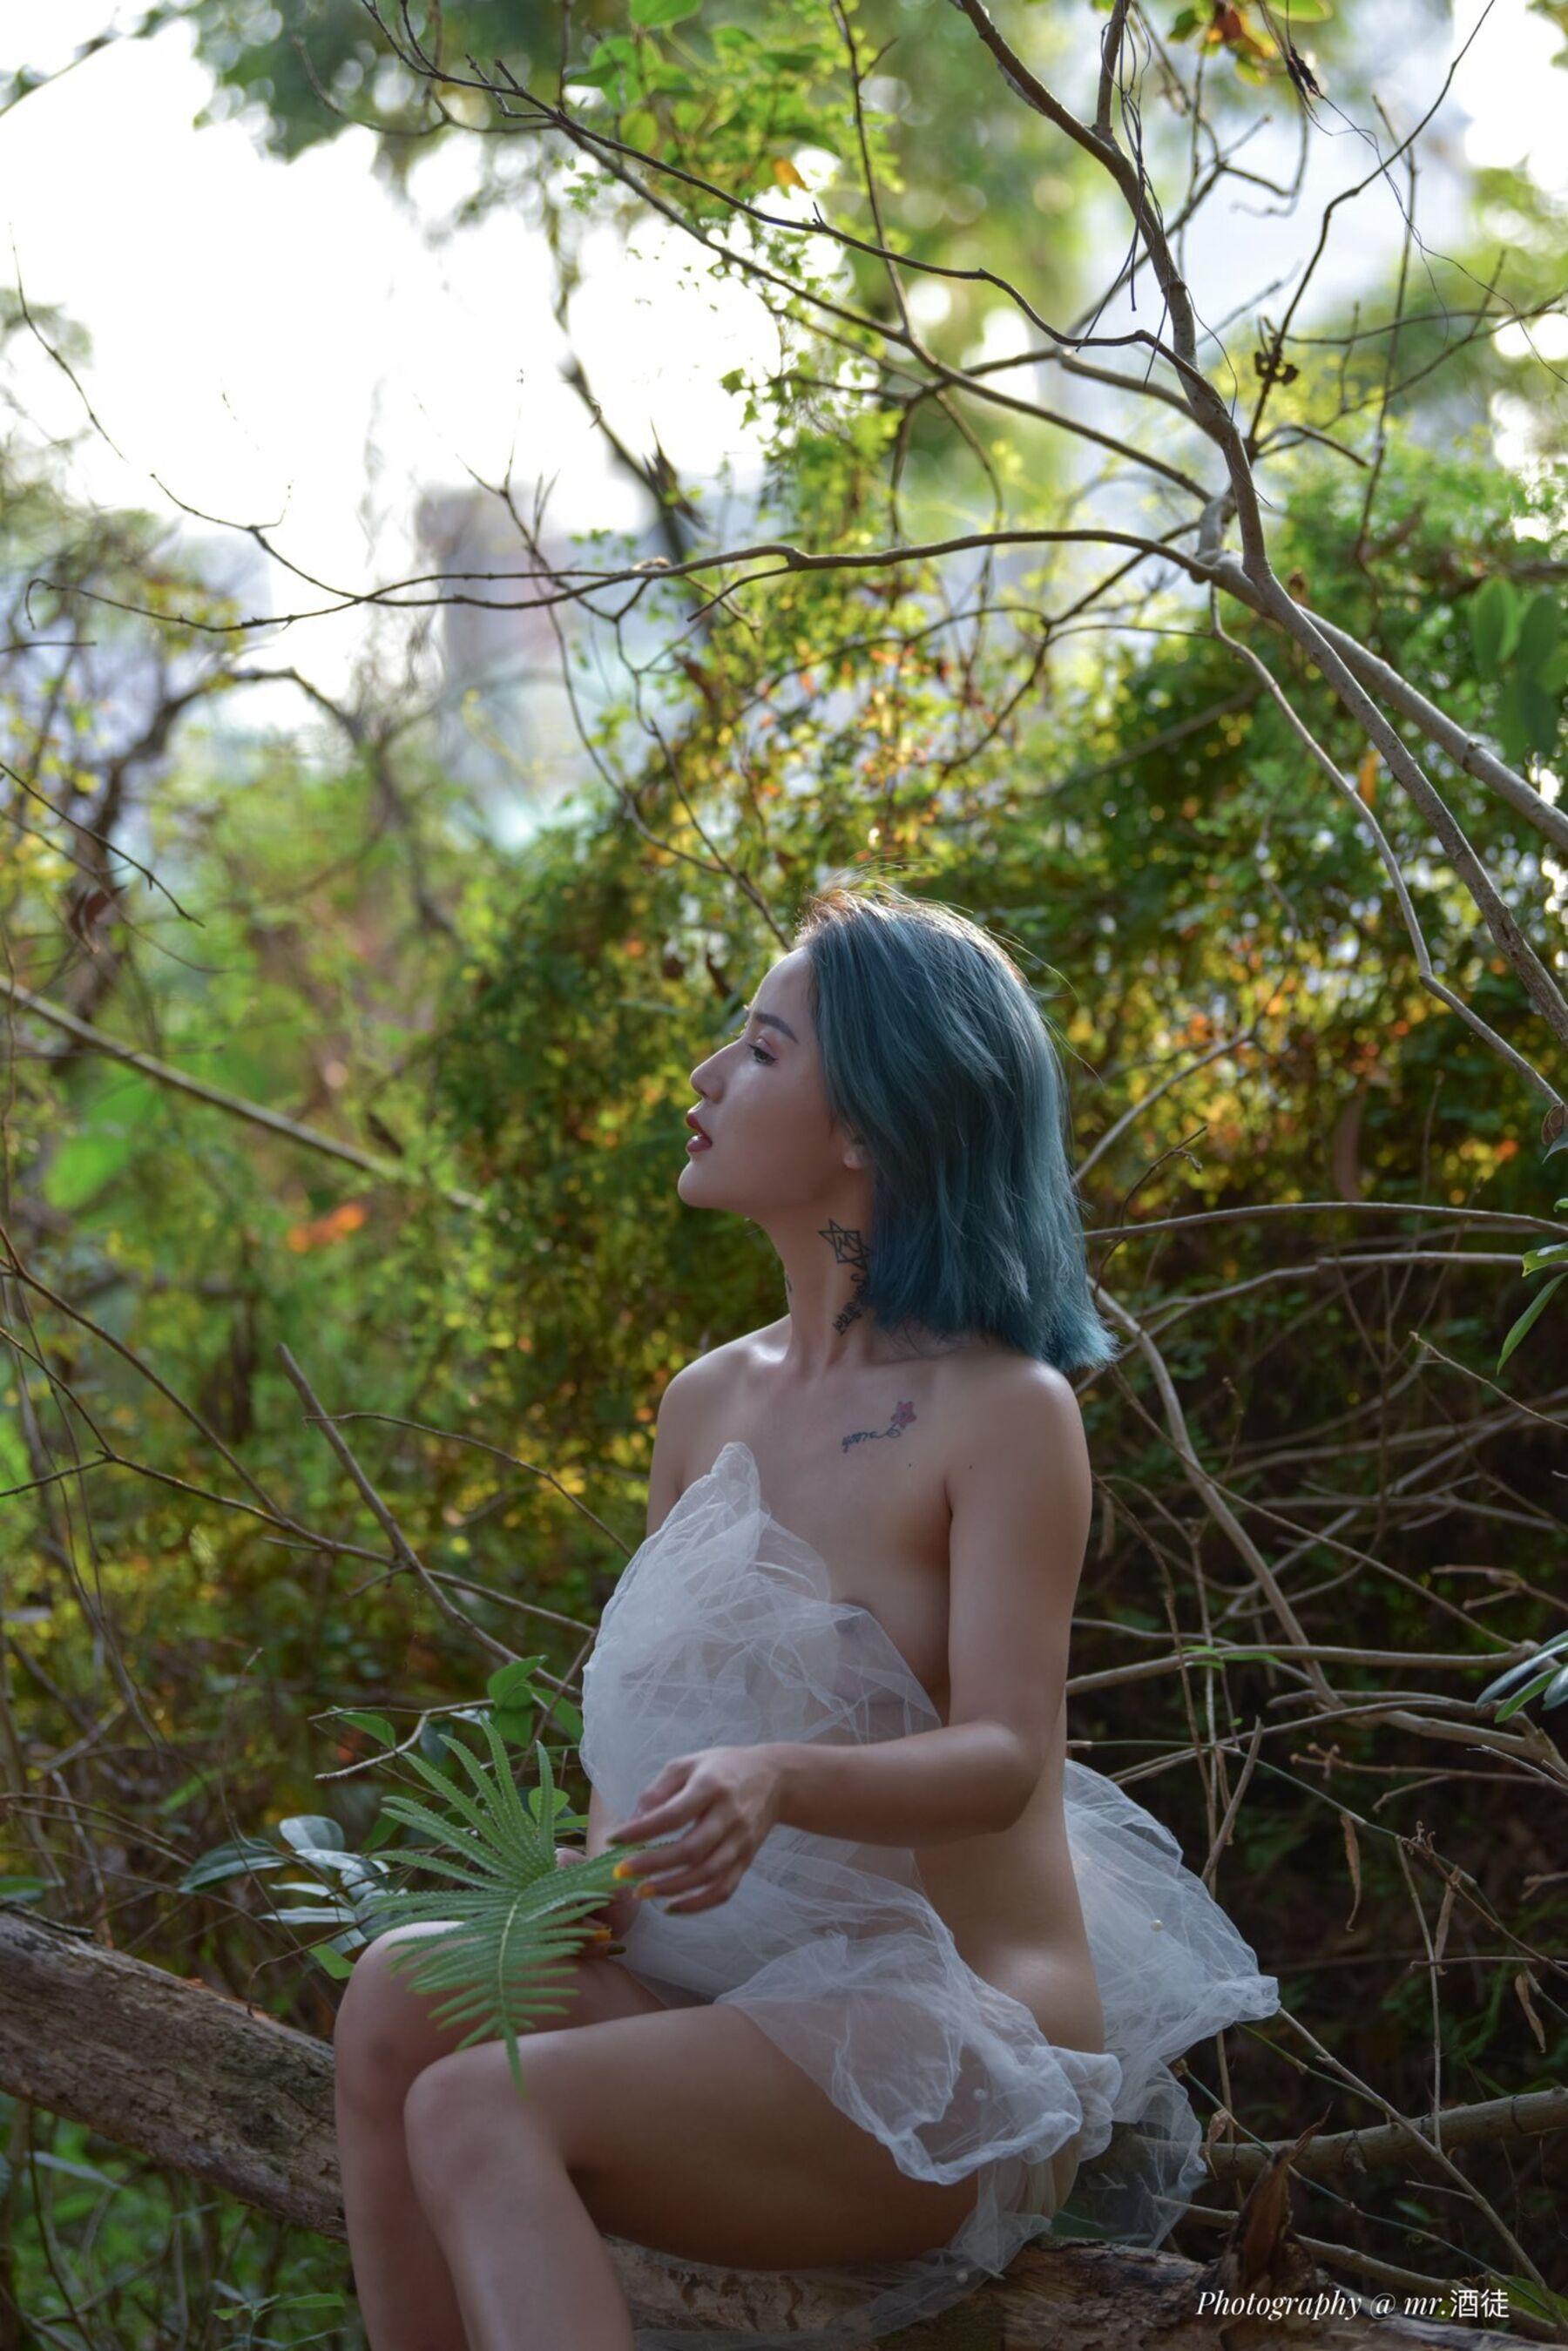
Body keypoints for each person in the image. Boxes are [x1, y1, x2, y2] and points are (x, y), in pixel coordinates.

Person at [332, 877, 1279, 2351]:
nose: (707, 1074)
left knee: (480, 2106)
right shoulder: (704, 1401)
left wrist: (780, 1780)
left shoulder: (1003, 1411)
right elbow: (654, 1727)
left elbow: (1005, 1758)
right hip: (741, 2002)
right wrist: (596, 1878)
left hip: (956, 2032)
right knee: (400, 1995)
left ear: (871, 1131)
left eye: (763, 1049)